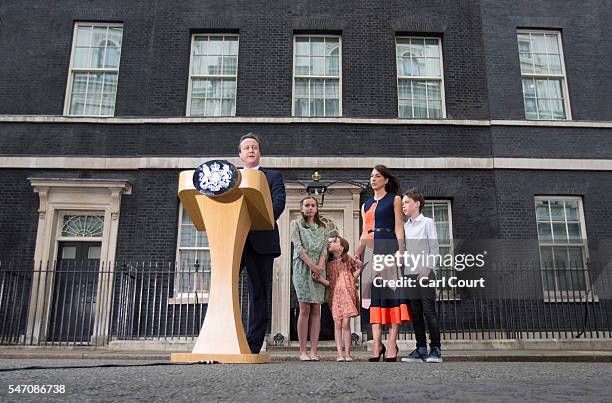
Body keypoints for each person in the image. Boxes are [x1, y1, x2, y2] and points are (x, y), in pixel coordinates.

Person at [355, 165, 410, 362]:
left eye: (377, 176)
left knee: (392, 295)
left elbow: (398, 227)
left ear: (386, 180)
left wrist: (401, 251)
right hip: (370, 251)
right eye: (371, 176)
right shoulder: (365, 205)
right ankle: (377, 345)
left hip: (389, 248)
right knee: (374, 298)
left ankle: (392, 343)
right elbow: (364, 232)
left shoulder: (394, 199)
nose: (373, 179)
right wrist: (358, 253)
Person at [238, 133, 286, 354]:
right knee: (223, 287)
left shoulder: (273, 176)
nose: (250, 150)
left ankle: (252, 344)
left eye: (254, 147)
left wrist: (260, 218)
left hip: (262, 241)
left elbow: (278, 204)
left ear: (259, 152)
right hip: (234, 240)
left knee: (259, 294)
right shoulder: (233, 177)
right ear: (240, 154)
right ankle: (228, 336)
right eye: (246, 147)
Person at [400, 188, 442, 363]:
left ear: (417, 204)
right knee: (416, 314)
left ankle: (436, 350)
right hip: (410, 274)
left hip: (425, 273)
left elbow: (435, 248)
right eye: (402, 203)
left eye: (406, 202)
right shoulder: (404, 226)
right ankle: (421, 349)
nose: (403, 206)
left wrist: (428, 269)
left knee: (428, 312)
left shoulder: (427, 222)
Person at [290, 196, 329, 361]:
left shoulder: (323, 227)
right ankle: (302, 351)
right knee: (304, 308)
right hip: (302, 267)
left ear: (317, 208)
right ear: (302, 208)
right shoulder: (296, 224)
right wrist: (312, 266)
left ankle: (314, 351)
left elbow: (324, 250)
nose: (310, 208)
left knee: (316, 310)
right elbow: (298, 247)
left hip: (319, 268)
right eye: (307, 205)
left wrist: (319, 267)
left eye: (313, 205)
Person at [313, 235, 362, 361]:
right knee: (338, 323)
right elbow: (330, 282)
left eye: (334, 241)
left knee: (346, 323)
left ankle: (348, 353)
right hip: (335, 296)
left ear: (341, 248)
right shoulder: (328, 264)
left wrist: (357, 270)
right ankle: (340, 354)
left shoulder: (348, 260)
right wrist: (319, 280)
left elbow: (356, 271)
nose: (330, 243)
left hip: (347, 293)